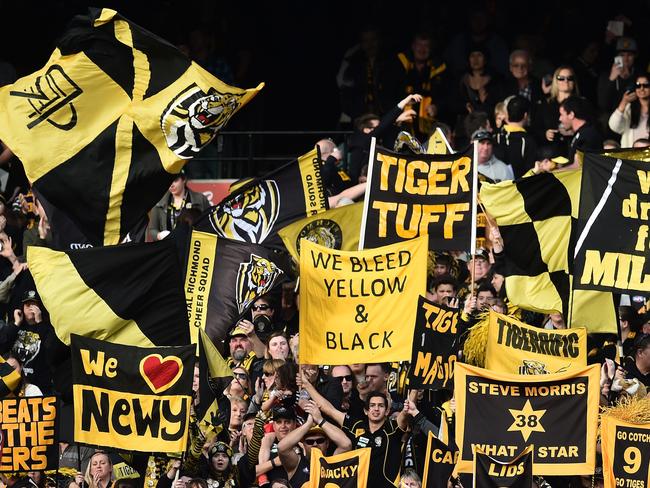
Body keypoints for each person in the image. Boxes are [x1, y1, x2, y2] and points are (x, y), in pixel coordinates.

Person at [347, 93, 423, 183]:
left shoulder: (377, 141)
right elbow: (382, 127)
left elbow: (384, 129)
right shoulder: (362, 142)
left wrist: (397, 121)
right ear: (366, 130)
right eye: (376, 127)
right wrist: (404, 102)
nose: (381, 130)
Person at [277, 401, 351, 487]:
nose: (315, 444)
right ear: (303, 444)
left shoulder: (333, 461)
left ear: (327, 443)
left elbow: (346, 444)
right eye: (309, 442)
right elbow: (281, 448)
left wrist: (320, 420)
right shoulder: (297, 463)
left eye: (320, 441)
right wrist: (308, 424)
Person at [148, 171, 210, 241]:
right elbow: (153, 229)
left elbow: (209, 224)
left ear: (184, 180)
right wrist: (159, 235)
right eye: (168, 181)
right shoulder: (159, 202)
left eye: (175, 181)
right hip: (167, 247)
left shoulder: (200, 199)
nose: (171, 185)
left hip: (192, 246)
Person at [534, 66, 579, 146]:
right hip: (552, 148)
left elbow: (591, 127)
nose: (566, 81)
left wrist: (575, 131)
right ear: (555, 81)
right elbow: (536, 128)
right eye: (561, 78)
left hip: (575, 145)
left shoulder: (581, 103)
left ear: (574, 81)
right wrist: (546, 134)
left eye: (570, 78)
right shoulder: (546, 103)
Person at [495, 95, 537, 177]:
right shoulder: (528, 141)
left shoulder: (495, 136)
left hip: (496, 188)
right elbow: (531, 173)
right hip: (519, 187)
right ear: (525, 115)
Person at [608, 74, 650, 147]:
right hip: (630, 155)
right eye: (638, 85)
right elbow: (614, 126)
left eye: (646, 85)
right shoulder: (628, 108)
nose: (642, 88)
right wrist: (623, 102)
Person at [559, 96, 603, 164]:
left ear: (571, 114)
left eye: (561, 115)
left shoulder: (587, 135)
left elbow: (578, 167)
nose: (560, 119)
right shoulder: (580, 134)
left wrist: (551, 172)